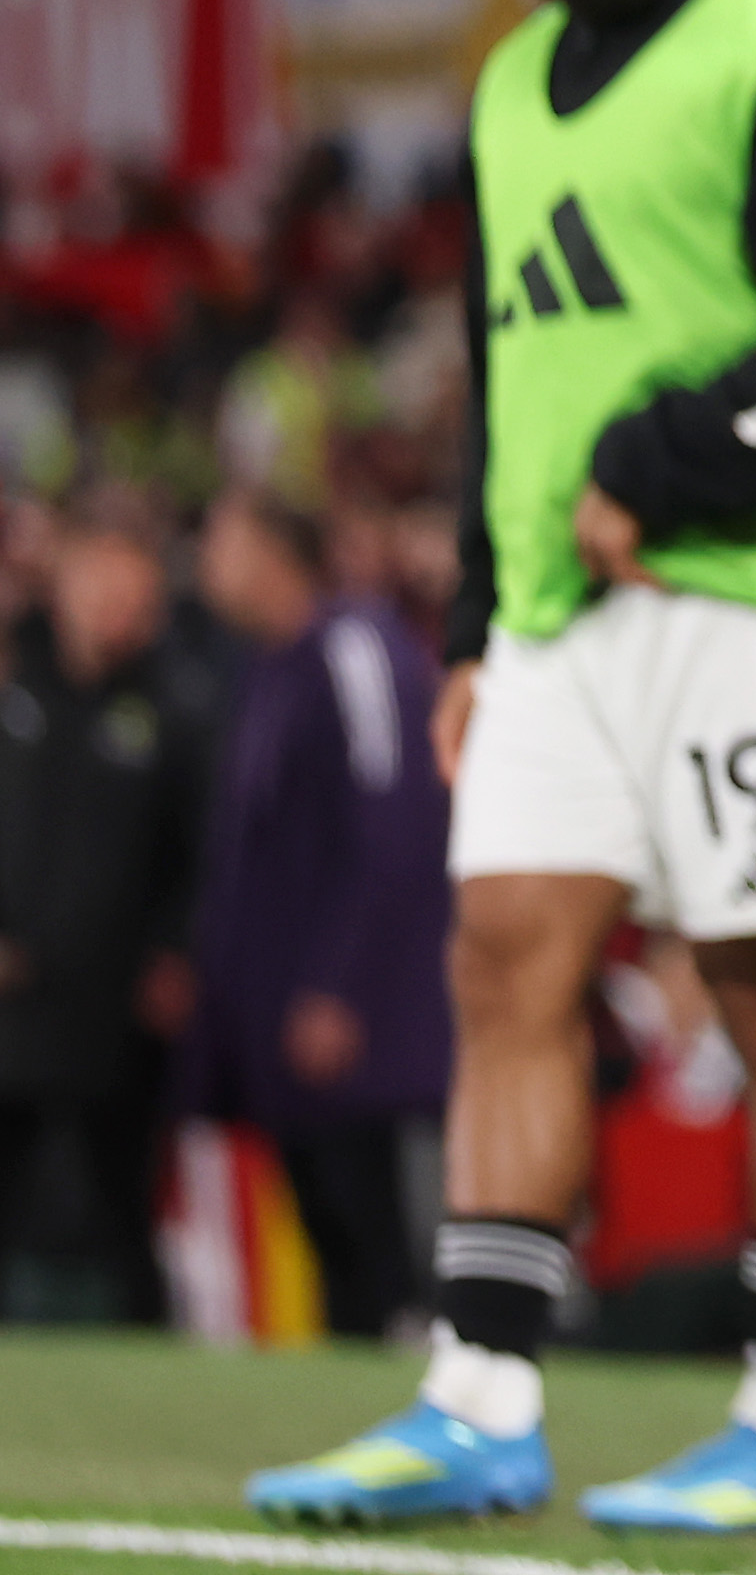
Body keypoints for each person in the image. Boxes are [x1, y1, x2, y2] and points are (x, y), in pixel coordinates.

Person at [250, 0, 756, 1535]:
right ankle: (480, 1392)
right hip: (557, 621)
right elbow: (503, 386)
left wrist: (665, 462)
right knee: (503, 964)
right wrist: (475, 619)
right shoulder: (505, 82)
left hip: (755, 600)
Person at [183, 491, 453, 1342]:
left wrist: (341, 983)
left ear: (273, 552)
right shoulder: (270, 663)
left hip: (352, 1016)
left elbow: (395, 823)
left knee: (369, 1222)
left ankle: (407, 1363)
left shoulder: (353, 645)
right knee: (324, 1227)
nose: (205, 564)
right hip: (279, 1012)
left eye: (222, 541)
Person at [0, 500, 212, 1324]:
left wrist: (174, 950)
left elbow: (197, 853)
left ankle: (142, 1336)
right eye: (106, 589)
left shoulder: (173, 707)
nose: (121, 613)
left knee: (123, 1194)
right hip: (12, 997)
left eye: (138, 596)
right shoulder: (17, 687)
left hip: (115, 1005)